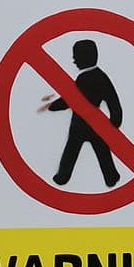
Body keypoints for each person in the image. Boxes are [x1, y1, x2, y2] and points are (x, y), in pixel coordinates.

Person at [38, 38, 122, 187]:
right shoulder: (102, 76)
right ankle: (111, 176)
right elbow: (112, 99)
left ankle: (63, 176)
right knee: (101, 150)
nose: (74, 61)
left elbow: (70, 100)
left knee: (71, 151)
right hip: (96, 124)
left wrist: (51, 106)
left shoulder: (83, 79)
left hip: (79, 124)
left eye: (76, 57)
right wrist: (115, 119)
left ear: (84, 57)